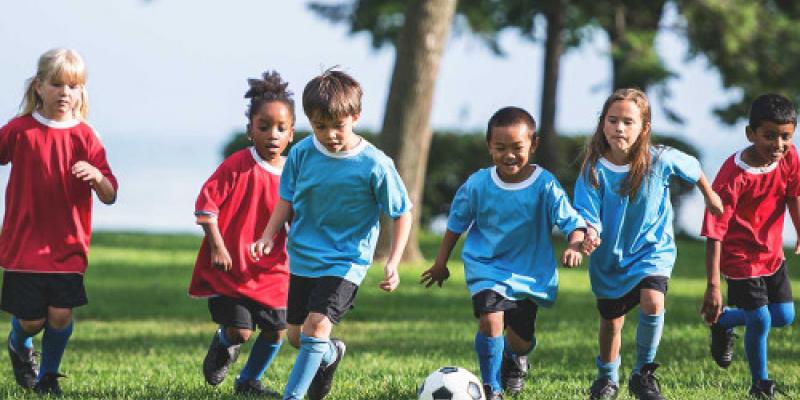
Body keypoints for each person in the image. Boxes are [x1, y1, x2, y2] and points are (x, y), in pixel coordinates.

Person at [249, 68, 413, 400]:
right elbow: (286, 198)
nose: (331, 135)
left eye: (338, 126)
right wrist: (268, 235)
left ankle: (292, 396)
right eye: (320, 127)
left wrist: (393, 262)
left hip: (346, 261)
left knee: (316, 327)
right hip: (304, 257)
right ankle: (330, 354)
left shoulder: (375, 164)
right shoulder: (301, 154)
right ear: (309, 121)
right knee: (297, 336)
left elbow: (401, 213)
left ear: (355, 116)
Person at [420, 107, 586, 400]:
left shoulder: (545, 184)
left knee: (522, 340)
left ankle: (514, 358)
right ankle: (491, 387)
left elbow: (572, 222)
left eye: (517, 147)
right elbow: (456, 224)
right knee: (491, 319)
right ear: (489, 147)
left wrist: (575, 244)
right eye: (500, 148)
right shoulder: (477, 185)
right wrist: (440, 263)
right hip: (487, 266)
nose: (509, 155)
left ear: (532, 145)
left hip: (530, 273)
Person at [574, 88, 723, 400]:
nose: (620, 128)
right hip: (610, 258)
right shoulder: (593, 170)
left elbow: (694, 168)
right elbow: (588, 212)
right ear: (603, 124)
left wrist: (709, 195)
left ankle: (643, 374)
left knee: (653, 302)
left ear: (644, 128)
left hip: (652, 250)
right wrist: (590, 234)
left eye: (628, 122)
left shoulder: (661, 159)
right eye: (613, 120)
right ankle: (607, 378)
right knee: (612, 323)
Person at [0, 48, 118, 396]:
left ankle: (48, 377)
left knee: (61, 316)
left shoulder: (86, 136)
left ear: (81, 91)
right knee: (33, 321)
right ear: (39, 87)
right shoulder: (19, 131)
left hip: (68, 246)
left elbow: (110, 194)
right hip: (24, 245)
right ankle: (19, 343)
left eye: (74, 85)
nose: (65, 93)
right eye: (57, 84)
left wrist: (96, 176)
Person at [189, 70, 295, 397]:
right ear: (250, 130)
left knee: (277, 332)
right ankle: (224, 343)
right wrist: (218, 247)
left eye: (281, 128)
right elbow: (206, 208)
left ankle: (249, 381)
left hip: (275, 269)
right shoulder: (237, 165)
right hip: (232, 269)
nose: (272, 135)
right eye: (264, 127)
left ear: (291, 133)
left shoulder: (295, 172)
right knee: (240, 332)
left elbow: (299, 218)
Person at [700, 93, 799, 399]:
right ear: (750, 133)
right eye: (770, 136)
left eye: (785, 136)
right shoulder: (732, 177)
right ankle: (761, 384)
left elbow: (793, 194)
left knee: (784, 316)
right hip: (738, 259)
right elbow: (714, 232)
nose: (778, 145)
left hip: (771, 255)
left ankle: (723, 322)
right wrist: (714, 285)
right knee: (761, 319)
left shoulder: (789, 158)